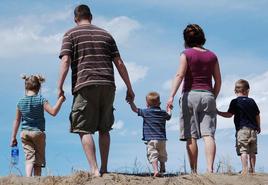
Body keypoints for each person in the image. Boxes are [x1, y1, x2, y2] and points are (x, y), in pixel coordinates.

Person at [57, 4, 135, 176]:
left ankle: (94, 170)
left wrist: (59, 86)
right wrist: (129, 88)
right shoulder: (106, 35)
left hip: (85, 83)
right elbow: (119, 63)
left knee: (83, 128)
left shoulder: (70, 34)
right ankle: (105, 168)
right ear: (90, 17)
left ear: (75, 18)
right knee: (104, 128)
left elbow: (65, 61)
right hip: (108, 84)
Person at [167, 24, 222, 173]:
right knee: (208, 135)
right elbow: (218, 80)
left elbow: (180, 75)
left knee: (191, 136)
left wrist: (171, 96)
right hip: (208, 95)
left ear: (186, 39)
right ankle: (210, 169)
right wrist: (213, 97)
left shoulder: (186, 54)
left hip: (189, 96)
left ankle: (194, 171)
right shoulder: (212, 56)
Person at [10, 75, 65, 177]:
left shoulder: (20, 102)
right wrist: (60, 100)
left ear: (26, 87)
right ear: (39, 87)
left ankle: (28, 179)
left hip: (25, 133)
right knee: (38, 159)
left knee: (29, 157)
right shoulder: (41, 100)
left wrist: (13, 137)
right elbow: (53, 112)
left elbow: (17, 120)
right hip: (38, 133)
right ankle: (37, 180)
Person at [217, 79, 260, 175]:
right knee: (252, 151)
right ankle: (252, 170)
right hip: (253, 130)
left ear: (235, 91)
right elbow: (257, 115)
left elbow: (229, 114)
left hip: (242, 130)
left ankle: (244, 169)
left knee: (243, 150)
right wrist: (258, 126)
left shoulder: (235, 102)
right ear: (247, 91)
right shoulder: (252, 101)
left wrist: (218, 112)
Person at [128, 92, 171, 177]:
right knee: (162, 153)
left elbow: (135, 109)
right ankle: (162, 166)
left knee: (153, 155)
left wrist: (131, 102)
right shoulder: (162, 113)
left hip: (151, 139)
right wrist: (169, 109)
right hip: (162, 139)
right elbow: (169, 116)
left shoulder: (146, 112)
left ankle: (156, 171)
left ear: (147, 104)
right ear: (159, 103)